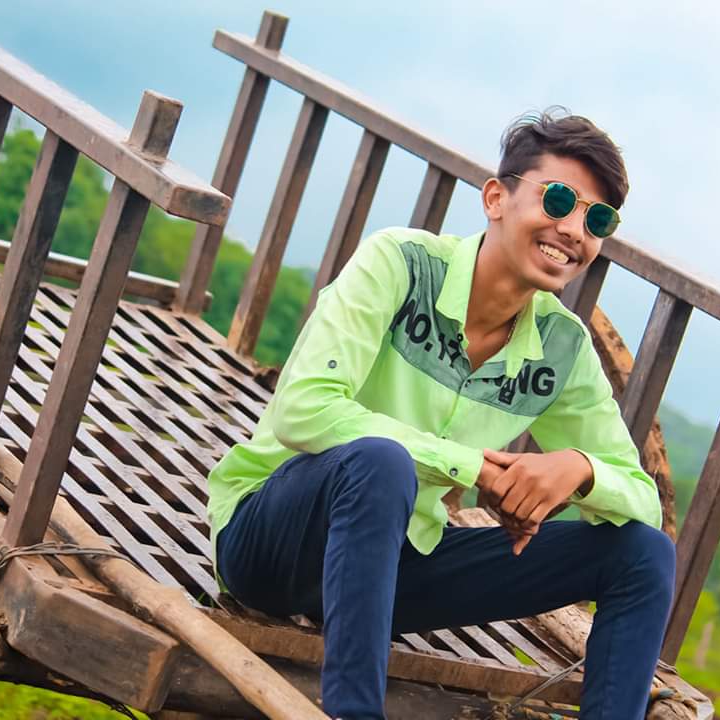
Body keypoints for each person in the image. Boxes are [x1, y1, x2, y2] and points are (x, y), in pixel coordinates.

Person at [206, 107, 676, 720]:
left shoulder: (562, 347)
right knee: (381, 463)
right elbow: (302, 409)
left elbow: (642, 500)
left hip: (395, 568)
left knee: (643, 554)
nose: (573, 230)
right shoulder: (400, 263)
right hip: (272, 544)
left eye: (598, 219)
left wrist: (580, 471)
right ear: (496, 198)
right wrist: (470, 467)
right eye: (559, 200)